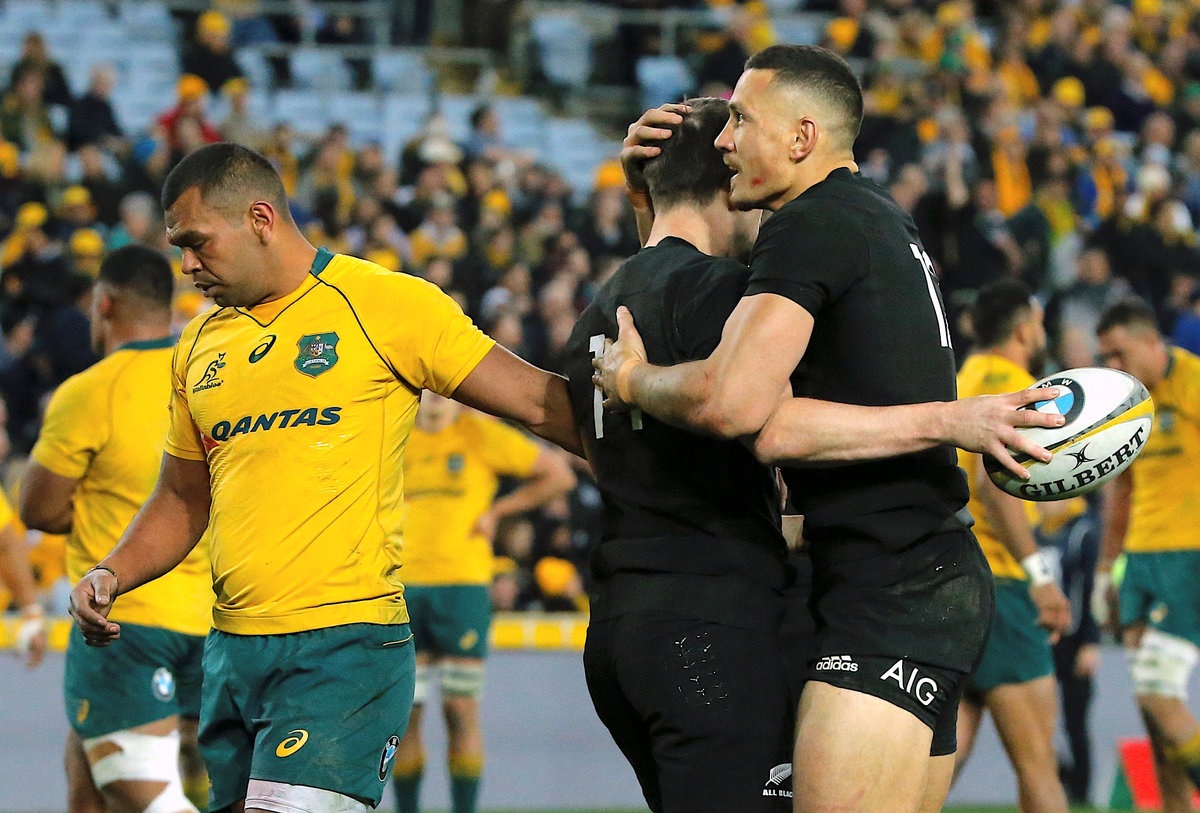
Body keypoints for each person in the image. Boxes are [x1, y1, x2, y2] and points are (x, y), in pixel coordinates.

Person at [577, 97, 1062, 813]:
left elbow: (729, 392)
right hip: (796, 595)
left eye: (746, 124)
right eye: (730, 135)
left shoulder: (608, 307)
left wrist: (632, 378)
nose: (739, 146)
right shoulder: (828, 236)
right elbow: (739, 390)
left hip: (816, 589)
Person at [66, 143, 579, 813]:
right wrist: (112, 571)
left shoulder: (386, 304)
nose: (186, 265)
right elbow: (182, 497)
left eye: (196, 242)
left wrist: (665, 467)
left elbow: (541, 403)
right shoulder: (198, 345)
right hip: (233, 653)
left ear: (259, 218)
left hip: (344, 647)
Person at [21, 245, 212, 813]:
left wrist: (93, 509)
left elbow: (37, 510)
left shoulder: (91, 390)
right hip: (217, 615)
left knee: (138, 793)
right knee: (86, 774)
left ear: (103, 304)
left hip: (125, 619)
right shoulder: (208, 375)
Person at [392, 390, 576, 813]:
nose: (435, 396)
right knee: (405, 718)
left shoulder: (479, 435)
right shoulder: (393, 436)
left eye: (443, 387)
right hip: (400, 588)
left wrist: (498, 511)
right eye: (425, 386)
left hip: (463, 587)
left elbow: (559, 475)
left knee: (460, 709)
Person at [951, 280, 1073, 813]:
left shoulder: (961, 381)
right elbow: (992, 483)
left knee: (945, 752)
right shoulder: (1022, 389)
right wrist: (1040, 577)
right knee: (1038, 765)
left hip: (952, 581)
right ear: (1025, 330)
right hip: (1000, 583)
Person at [1093, 297, 1200, 813]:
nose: (1113, 366)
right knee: (1151, 713)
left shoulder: (1193, 381)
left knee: (1159, 694)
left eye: (1120, 353)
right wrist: (1104, 571)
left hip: (1188, 556)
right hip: (1138, 560)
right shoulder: (1127, 405)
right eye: (1105, 358)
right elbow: (1122, 489)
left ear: (1152, 341)